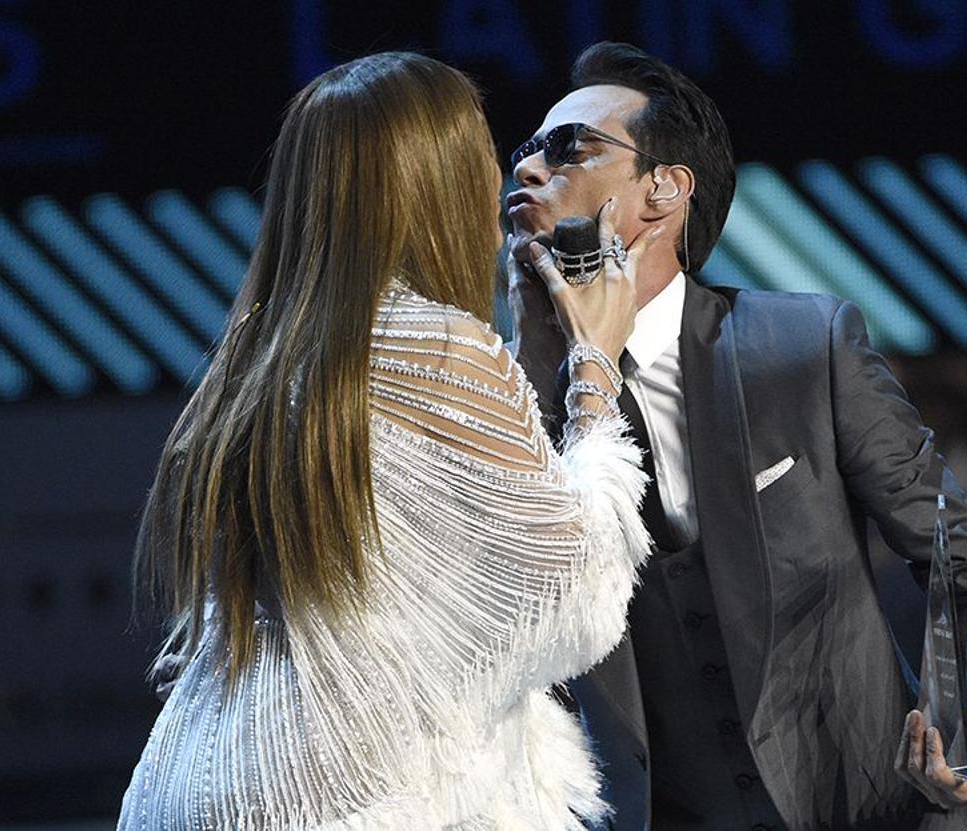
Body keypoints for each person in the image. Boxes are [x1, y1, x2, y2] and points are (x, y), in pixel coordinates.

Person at [506, 42, 967, 831]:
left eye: (568, 149)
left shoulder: (800, 346)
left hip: (889, 814)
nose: (527, 169)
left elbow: (960, 555)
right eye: (524, 151)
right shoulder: (515, 409)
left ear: (663, 190)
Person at [118, 51, 664, 829]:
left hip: (197, 783)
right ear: (435, 182)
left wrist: (519, 367)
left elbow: (410, 551)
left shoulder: (255, 355)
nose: (498, 177)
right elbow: (576, 584)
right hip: (348, 794)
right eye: (482, 152)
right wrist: (594, 367)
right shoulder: (438, 347)